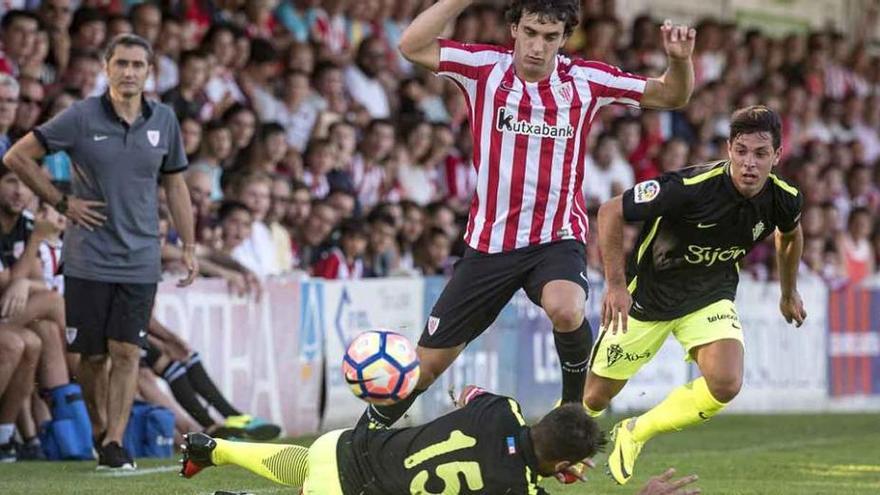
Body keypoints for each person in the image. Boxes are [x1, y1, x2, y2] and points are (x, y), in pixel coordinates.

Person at [362, 0, 696, 430]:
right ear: (514, 29)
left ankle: (574, 413)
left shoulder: (586, 81)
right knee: (425, 368)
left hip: (555, 238)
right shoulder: (484, 68)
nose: (538, 46)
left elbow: (673, 94)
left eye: (551, 37)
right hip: (489, 245)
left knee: (566, 308)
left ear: (564, 39)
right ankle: (362, 438)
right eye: (532, 33)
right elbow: (411, 45)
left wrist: (679, 62)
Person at [3, 33, 197, 470]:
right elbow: (17, 156)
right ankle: (97, 426)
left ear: (150, 72)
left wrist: (188, 244)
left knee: (127, 351)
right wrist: (60, 202)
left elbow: (175, 183)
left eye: (138, 65)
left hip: (142, 257)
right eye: (122, 64)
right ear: (106, 68)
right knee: (91, 356)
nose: (129, 72)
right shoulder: (80, 116)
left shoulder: (164, 119)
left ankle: (114, 440)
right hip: (89, 256)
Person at [586, 106, 806, 485]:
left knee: (726, 382)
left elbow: (789, 235)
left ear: (777, 155)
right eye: (740, 151)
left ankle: (636, 431)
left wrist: (788, 291)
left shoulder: (784, 198)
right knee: (592, 400)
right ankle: (555, 442)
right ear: (728, 149)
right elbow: (609, 212)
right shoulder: (689, 187)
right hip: (649, 299)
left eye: (759, 153)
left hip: (710, 295)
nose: (748, 163)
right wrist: (616, 285)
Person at [181, 385, 700, 495]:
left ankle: (214, 449)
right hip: (355, 494)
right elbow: (523, 469)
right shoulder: (517, 492)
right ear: (562, 460)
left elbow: (466, 393)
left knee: (305, 462)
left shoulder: (503, 410)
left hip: (348, 447)